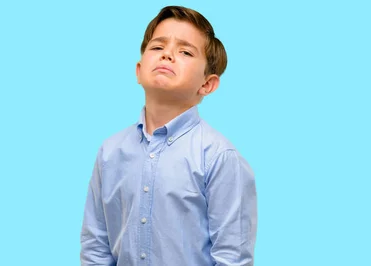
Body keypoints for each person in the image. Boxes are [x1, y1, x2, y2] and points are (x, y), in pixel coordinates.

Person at [80, 5, 257, 266]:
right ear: (139, 71)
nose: (167, 55)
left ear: (207, 84)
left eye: (185, 51)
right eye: (157, 47)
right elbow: (96, 245)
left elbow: (233, 257)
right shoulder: (110, 152)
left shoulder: (219, 157)